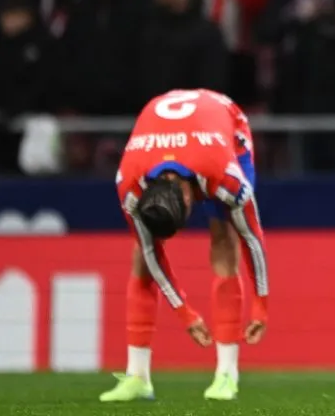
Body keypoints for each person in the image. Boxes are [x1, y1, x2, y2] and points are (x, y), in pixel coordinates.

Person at [100, 89, 269, 402]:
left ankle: (226, 374)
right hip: (171, 134)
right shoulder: (129, 184)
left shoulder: (224, 176)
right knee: (141, 256)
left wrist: (262, 304)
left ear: (191, 197)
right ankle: (137, 376)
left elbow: (252, 236)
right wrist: (184, 313)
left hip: (227, 129)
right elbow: (151, 251)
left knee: (225, 237)